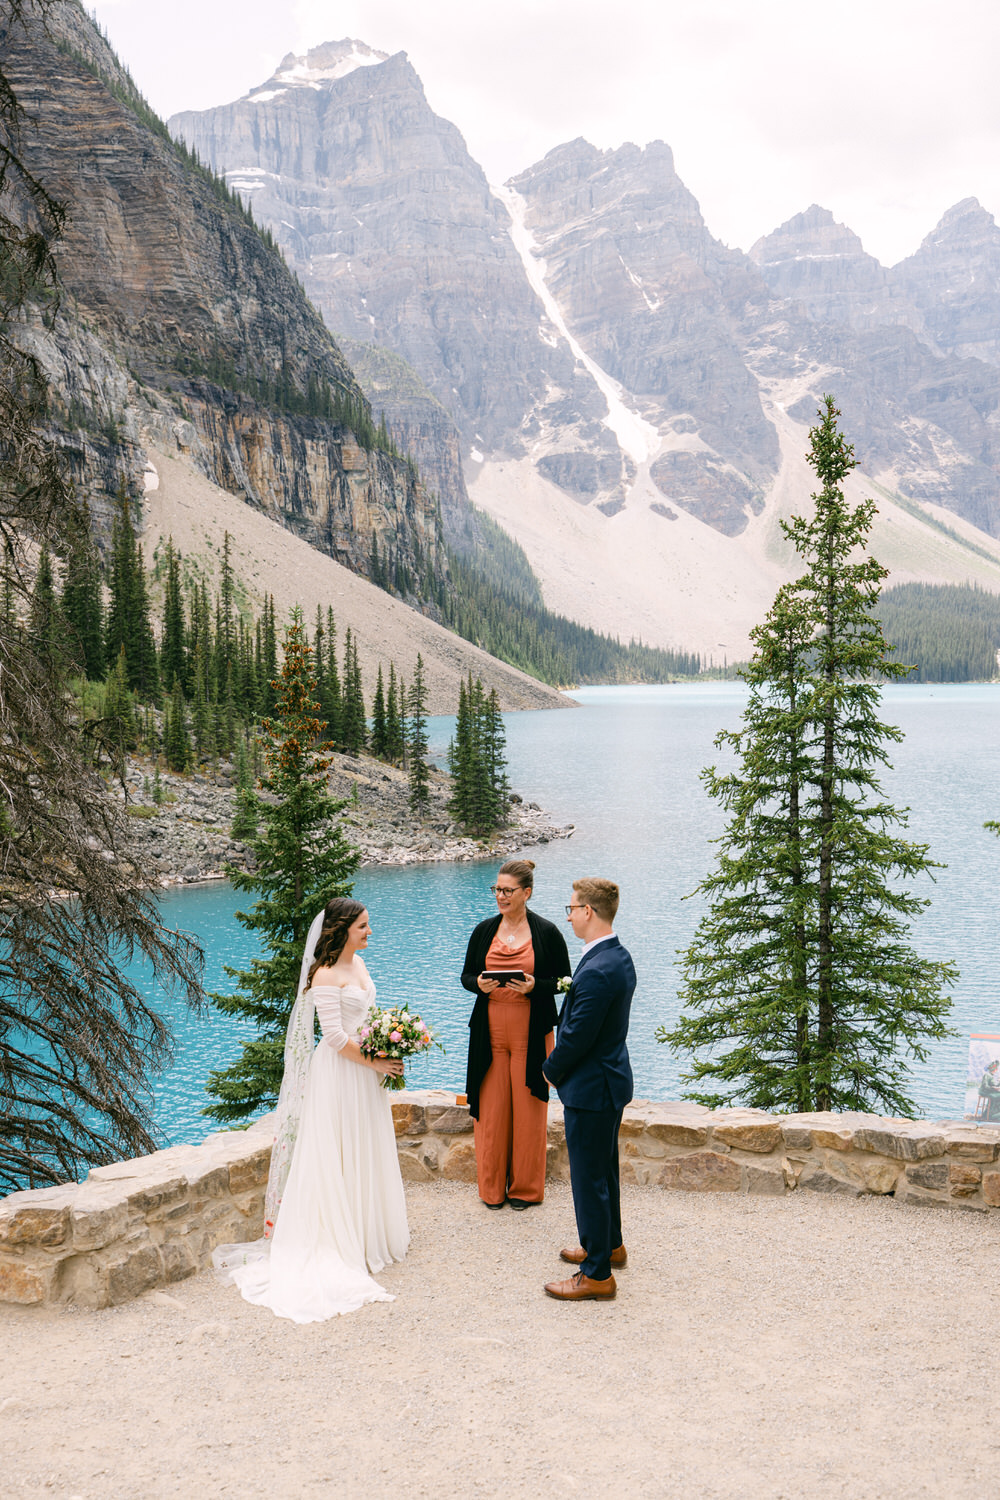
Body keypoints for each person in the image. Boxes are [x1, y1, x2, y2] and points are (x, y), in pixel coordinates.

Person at [213, 897, 409, 1323]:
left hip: (365, 1072)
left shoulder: (358, 964)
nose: (369, 932)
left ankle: (364, 1231)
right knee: (337, 1147)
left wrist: (391, 1042)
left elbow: (368, 1017)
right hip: (340, 1072)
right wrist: (377, 1060)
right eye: (363, 926)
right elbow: (336, 1038)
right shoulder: (324, 975)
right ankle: (338, 1239)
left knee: (364, 1144)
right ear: (341, 931)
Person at [542, 877, 635, 1302]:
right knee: (604, 1173)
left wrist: (550, 1070)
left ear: (589, 913)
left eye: (572, 907)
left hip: (592, 1087)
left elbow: (577, 1035)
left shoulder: (598, 969)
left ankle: (596, 1274)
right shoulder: (615, 955)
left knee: (589, 1179)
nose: (568, 914)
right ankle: (609, 1245)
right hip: (609, 1080)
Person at [462, 859, 571, 1209]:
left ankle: (524, 1190)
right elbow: (466, 976)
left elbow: (564, 981)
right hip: (489, 1032)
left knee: (529, 1113)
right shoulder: (483, 931)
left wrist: (533, 987)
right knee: (490, 1114)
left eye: (508, 890)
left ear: (527, 892)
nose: (500, 896)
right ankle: (491, 1190)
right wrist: (478, 983)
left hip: (531, 1032)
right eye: (497, 889)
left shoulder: (548, 932)